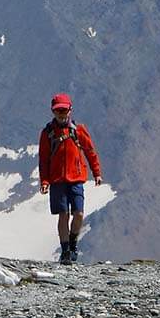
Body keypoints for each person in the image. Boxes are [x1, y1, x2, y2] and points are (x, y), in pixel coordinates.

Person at [38, 92, 102, 265]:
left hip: (76, 178)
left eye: (64, 110)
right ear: (53, 111)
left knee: (79, 213)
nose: (61, 113)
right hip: (57, 180)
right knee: (63, 215)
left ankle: (72, 245)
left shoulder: (78, 130)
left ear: (70, 110)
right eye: (58, 110)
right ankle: (66, 251)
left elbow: (90, 152)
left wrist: (97, 173)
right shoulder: (47, 133)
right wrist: (44, 181)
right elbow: (43, 160)